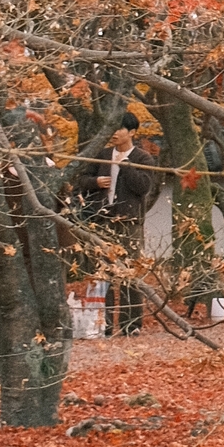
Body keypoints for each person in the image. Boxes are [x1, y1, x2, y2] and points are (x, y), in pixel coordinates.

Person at [69, 126, 160, 335]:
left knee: (130, 272)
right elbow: (80, 182)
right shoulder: (102, 155)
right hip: (102, 220)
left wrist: (126, 167)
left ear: (132, 132)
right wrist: (95, 182)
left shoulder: (143, 158)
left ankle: (132, 324)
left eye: (121, 129)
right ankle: (104, 323)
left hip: (129, 222)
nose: (115, 133)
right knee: (104, 271)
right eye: (114, 128)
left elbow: (143, 187)